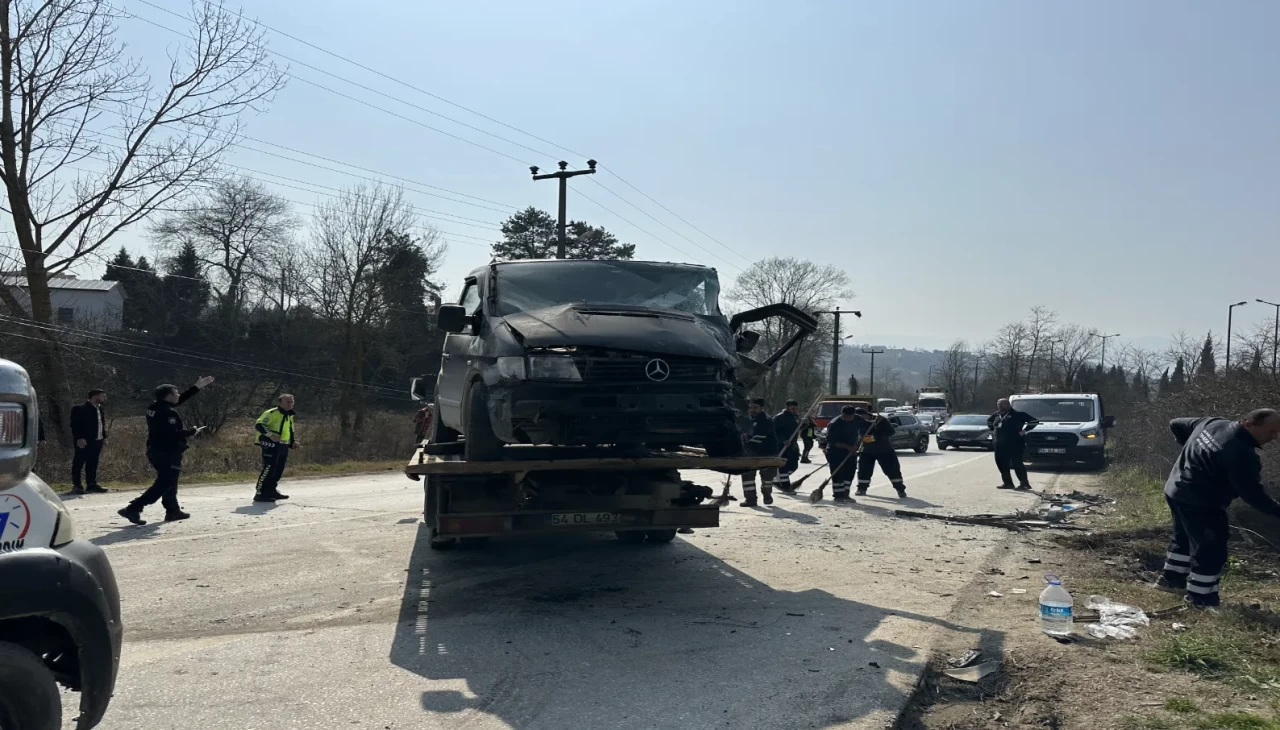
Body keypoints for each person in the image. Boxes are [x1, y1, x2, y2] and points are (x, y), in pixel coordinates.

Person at [1155, 410, 1280, 608]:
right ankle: (1201, 599)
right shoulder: (1241, 453)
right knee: (1211, 549)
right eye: (1271, 431)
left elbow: (1175, 423)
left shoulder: (1212, 423)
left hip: (1175, 489)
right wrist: (1277, 510)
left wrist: (1192, 449)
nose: (1274, 437)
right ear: (1249, 423)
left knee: (1184, 538)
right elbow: (1253, 495)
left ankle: (1171, 580)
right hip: (1201, 503)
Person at [117, 376, 214, 525]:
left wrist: (197, 387)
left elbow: (177, 402)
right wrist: (191, 431)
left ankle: (173, 510)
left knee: (170, 481)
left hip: (155, 450)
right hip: (167, 451)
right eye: (176, 393)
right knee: (164, 483)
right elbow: (172, 434)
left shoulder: (154, 407)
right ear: (169, 396)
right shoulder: (169, 413)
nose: (178, 395)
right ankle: (133, 507)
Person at [253, 394, 297, 503]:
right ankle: (260, 493)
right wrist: (270, 434)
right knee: (269, 468)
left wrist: (292, 442)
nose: (290, 404)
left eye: (291, 402)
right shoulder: (271, 413)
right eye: (287, 402)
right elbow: (259, 425)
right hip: (270, 444)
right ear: (280, 403)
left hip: (283, 445)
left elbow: (290, 430)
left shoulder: (289, 415)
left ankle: (271, 490)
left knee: (278, 469)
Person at [854, 410, 907, 498]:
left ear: (866, 414)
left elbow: (891, 431)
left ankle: (900, 489)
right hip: (866, 451)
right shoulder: (859, 422)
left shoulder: (881, 420)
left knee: (892, 470)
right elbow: (859, 435)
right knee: (864, 470)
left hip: (884, 450)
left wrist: (878, 432)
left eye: (861, 417)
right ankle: (861, 488)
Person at [988, 398, 1037, 490]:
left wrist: (1024, 431)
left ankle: (1024, 484)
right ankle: (1008, 483)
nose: (1000, 405)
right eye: (998, 404)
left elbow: (1034, 421)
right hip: (999, 444)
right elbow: (989, 421)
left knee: (1016, 463)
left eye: (1002, 403)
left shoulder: (1018, 414)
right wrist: (992, 429)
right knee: (1002, 463)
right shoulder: (996, 414)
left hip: (1015, 443)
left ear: (1008, 404)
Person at [740, 398, 779, 507]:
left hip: (767, 452)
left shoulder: (766, 420)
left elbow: (759, 437)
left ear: (762, 408)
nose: (752, 410)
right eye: (751, 408)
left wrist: (745, 446)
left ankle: (767, 494)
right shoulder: (748, 420)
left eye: (755, 408)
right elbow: (743, 434)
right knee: (747, 475)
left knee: (767, 477)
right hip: (750, 453)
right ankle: (750, 499)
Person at [70, 389, 110, 495]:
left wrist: (104, 437)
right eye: (103, 396)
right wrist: (79, 438)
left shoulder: (100, 409)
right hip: (85, 440)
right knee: (79, 462)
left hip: (98, 440)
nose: (105, 399)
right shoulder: (79, 409)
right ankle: (77, 485)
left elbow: (101, 424)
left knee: (93, 462)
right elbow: (75, 425)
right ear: (94, 397)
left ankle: (91, 484)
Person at [823, 405, 865, 502]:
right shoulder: (834, 424)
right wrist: (849, 447)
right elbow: (832, 441)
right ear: (842, 414)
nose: (848, 419)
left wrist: (877, 421)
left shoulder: (858, 419)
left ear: (854, 415)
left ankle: (845, 494)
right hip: (835, 452)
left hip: (851, 453)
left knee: (849, 473)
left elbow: (866, 426)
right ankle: (838, 496)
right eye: (846, 417)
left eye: (850, 417)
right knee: (838, 474)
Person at [773, 399, 802, 494]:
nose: (795, 410)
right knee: (783, 467)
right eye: (793, 409)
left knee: (794, 466)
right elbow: (773, 432)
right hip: (781, 446)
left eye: (796, 409)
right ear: (786, 407)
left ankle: (777, 480)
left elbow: (797, 428)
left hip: (792, 446)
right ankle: (786, 486)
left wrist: (804, 424)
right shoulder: (779, 418)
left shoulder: (795, 416)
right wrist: (783, 440)